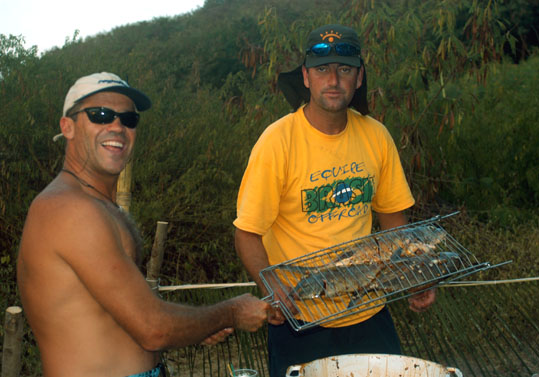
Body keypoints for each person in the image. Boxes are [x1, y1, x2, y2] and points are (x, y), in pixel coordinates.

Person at [17, 72, 272, 377]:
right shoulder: (70, 209)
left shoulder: (99, 206)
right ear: (67, 127)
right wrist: (230, 312)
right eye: (100, 115)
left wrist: (196, 326)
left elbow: (128, 314)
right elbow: (153, 328)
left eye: (128, 119)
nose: (117, 126)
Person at [233, 24, 436, 376]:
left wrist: (412, 273)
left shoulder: (376, 135)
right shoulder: (277, 142)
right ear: (306, 77)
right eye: (322, 69)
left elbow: (393, 220)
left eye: (344, 69)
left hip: (369, 310)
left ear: (358, 78)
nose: (333, 80)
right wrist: (274, 291)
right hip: (301, 318)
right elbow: (247, 234)